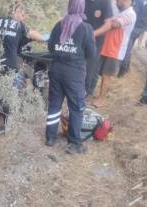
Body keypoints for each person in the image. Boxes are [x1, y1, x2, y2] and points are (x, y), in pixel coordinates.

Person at [46, 0, 96, 154]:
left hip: (56, 71)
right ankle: (74, 144)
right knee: (76, 108)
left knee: (54, 105)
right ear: (82, 8)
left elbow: (50, 47)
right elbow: (91, 54)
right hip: (74, 75)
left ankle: (50, 138)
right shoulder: (86, 28)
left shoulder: (59, 25)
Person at [0, 0, 44, 136]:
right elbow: (37, 36)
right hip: (10, 64)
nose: (22, 17)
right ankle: (5, 127)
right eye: (22, 14)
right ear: (15, 12)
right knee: (9, 95)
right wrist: (42, 38)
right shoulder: (20, 25)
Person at [91, 0, 137, 108]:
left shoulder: (131, 14)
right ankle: (100, 96)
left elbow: (115, 24)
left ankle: (102, 99)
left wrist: (106, 18)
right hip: (107, 47)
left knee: (107, 76)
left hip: (116, 50)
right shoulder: (120, 12)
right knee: (102, 74)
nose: (116, 1)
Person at [84, 0, 114, 99]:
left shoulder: (105, 2)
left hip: (96, 41)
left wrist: (92, 34)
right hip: (81, 38)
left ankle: (87, 93)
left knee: (91, 68)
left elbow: (108, 25)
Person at [118, 0, 147, 77]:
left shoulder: (139, 2)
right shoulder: (145, 3)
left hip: (134, 26)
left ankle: (123, 69)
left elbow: (134, 13)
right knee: (128, 47)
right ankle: (125, 68)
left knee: (127, 47)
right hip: (139, 27)